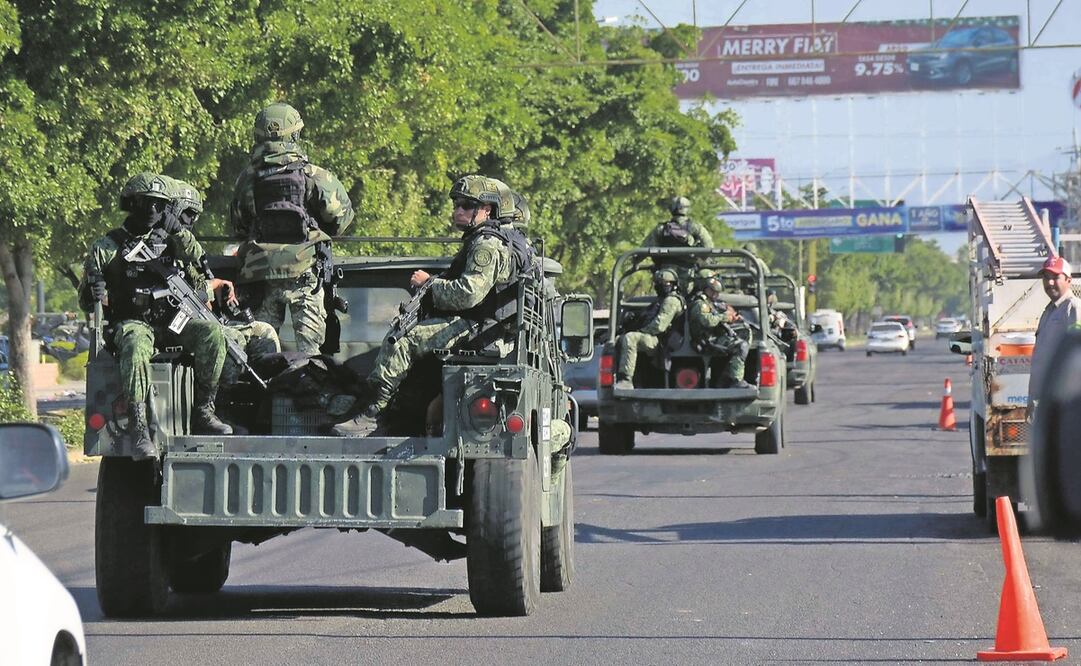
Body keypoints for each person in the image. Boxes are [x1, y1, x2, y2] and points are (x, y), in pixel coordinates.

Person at [334, 175, 531, 435]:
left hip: (481, 329)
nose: (458, 210)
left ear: (487, 210)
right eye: (457, 204)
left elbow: (468, 294)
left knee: (403, 342)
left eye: (467, 205)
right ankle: (393, 414)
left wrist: (429, 284)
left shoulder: (487, 245)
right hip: (480, 325)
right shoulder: (483, 240)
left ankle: (371, 415)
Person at [80, 173, 233, 458]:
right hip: (133, 323)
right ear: (131, 204)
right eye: (145, 203)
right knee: (135, 341)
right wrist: (94, 291)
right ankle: (140, 429)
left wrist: (178, 231)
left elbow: (198, 264)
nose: (152, 210)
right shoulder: (107, 247)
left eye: (159, 205)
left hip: (172, 323)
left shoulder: (173, 240)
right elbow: (87, 302)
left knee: (213, 333)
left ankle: (203, 411)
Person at [230, 102, 355, 354]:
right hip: (306, 275)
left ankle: (262, 393)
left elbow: (239, 223)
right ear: (295, 135)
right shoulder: (316, 176)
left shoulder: (247, 179)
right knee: (310, 356)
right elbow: (342, 219)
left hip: (260, 278)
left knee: (260, 355)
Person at [163, 177, 281, 385]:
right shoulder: (162, 250)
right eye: (187, 214)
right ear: (173, 210)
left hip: (203, 322)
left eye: (195, 216)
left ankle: (267, 396)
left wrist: (217, 286)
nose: (191, 222)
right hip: (180, 328)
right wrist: (212, 287)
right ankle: (221, 404)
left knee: (264, 332)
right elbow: (180, 297)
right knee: (230, 345)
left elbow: (200, 291)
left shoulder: (187, 251)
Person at [614, 268, 685, 390]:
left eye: (664, 283)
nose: (660, 286)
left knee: (631, 338)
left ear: (673, 284)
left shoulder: (672, 300)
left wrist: (640, 331)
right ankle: (626, 378)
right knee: (619, 339)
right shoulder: (660, 301)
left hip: (662, 341)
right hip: (655, 338)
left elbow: (659, 325)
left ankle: (626, 380)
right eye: (658, 283)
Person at [1029, 256, 1081, 416]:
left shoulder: (1073, 308)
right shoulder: (1050, 311)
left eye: (1055, 277)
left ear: (1068, 280)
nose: (1050, 282)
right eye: (1046, 277)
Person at [689, 275, 751, 389]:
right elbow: (707, 321)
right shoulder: (700, 304)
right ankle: (736, 380)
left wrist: (732, 318)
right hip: (706, 341)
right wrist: (724, 317)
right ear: (706, 290)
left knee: (745, 332)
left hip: (713, 336)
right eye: (713, 291)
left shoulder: (709, 303)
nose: (716, 295)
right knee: (741, 346)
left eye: (717, 292)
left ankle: (727, 377)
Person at [642, 196, 713, 249]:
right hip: (690, 267)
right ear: (687, 209)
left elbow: (643, 249)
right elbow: (709, 246)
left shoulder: (661, 228)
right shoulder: (696, 227)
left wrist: (635, 262)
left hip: (665, 266)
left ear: (671, 209)